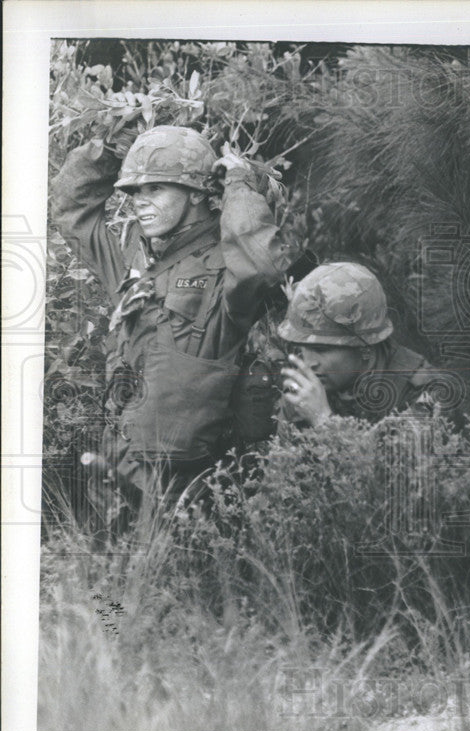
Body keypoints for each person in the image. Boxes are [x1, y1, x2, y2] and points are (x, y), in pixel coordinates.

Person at [51, 124, 291, 526]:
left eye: (155, 190)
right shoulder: (136, 263)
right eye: (134, 193)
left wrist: (237, 184)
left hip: (191, 484)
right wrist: (109, 150)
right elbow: (72, 212)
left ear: (197, 193)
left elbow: (262, 265)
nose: (140, 204)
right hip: (120, 471)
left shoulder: (225, 266)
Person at [277, 261, 438, 427]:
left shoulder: (420, 390)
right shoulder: (305, 390)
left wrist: (323, 420)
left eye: (321, 349)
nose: (309, 363)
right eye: (302, 347)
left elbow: (396, 452)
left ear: (364, 347)